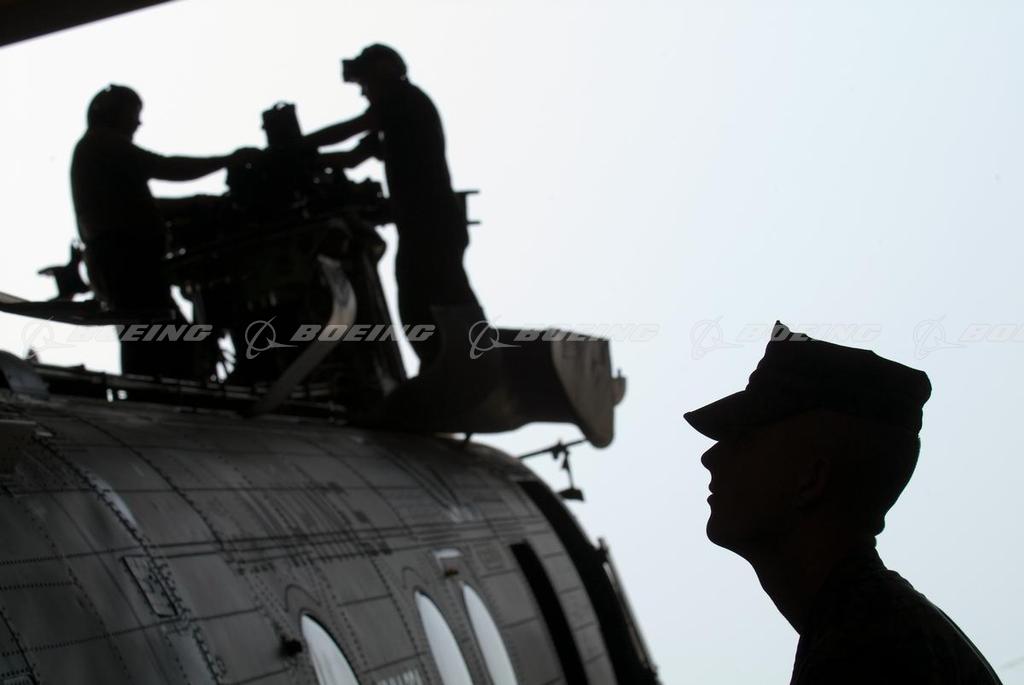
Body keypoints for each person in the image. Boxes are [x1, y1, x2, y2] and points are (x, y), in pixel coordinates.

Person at [684, 322, 1002, 684]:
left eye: (742, 439)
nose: (710, 457)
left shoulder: (867, 650)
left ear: (811, 479)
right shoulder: (874, 627)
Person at [303, 44, 482, 368]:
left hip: (433, 222)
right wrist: (307, 160)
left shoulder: (403, 99)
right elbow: (352, 157)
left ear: (383, 71)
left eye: (364, 83)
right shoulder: (395, 115)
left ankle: (471, 359)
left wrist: (296, 148)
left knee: (436, 293)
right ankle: (447, 364)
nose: (364, 93)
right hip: (424, 224)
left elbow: (350, 129)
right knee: (421, 297)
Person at [71, 84, 248, 377]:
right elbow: (167, 167)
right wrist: (228, 160)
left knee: (151, 336)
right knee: (158, 337)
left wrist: (196, 202)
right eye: (133, 114)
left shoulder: (95, 149)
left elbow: (139, 206)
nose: (138, 123)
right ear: (114, 113)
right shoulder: (104, 145)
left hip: (120, 264)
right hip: (126, 264)